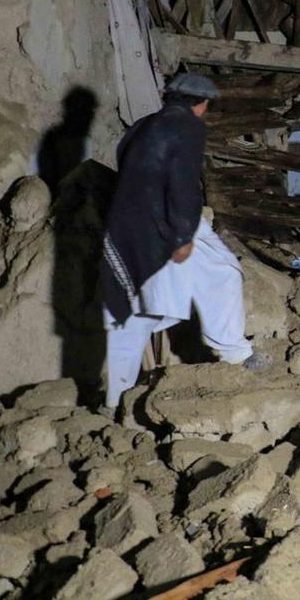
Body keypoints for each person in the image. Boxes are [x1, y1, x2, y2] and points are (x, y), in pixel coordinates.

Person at [99, 73, 269, 413]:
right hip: (165, 224)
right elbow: (184, 182)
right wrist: (181, 235)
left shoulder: (144, 125)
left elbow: (125, 163)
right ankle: (236, 353)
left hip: (123, 228)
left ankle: (115, 401)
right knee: (223, 274)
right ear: (201, 103)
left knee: (132, 314)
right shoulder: (187, 126)